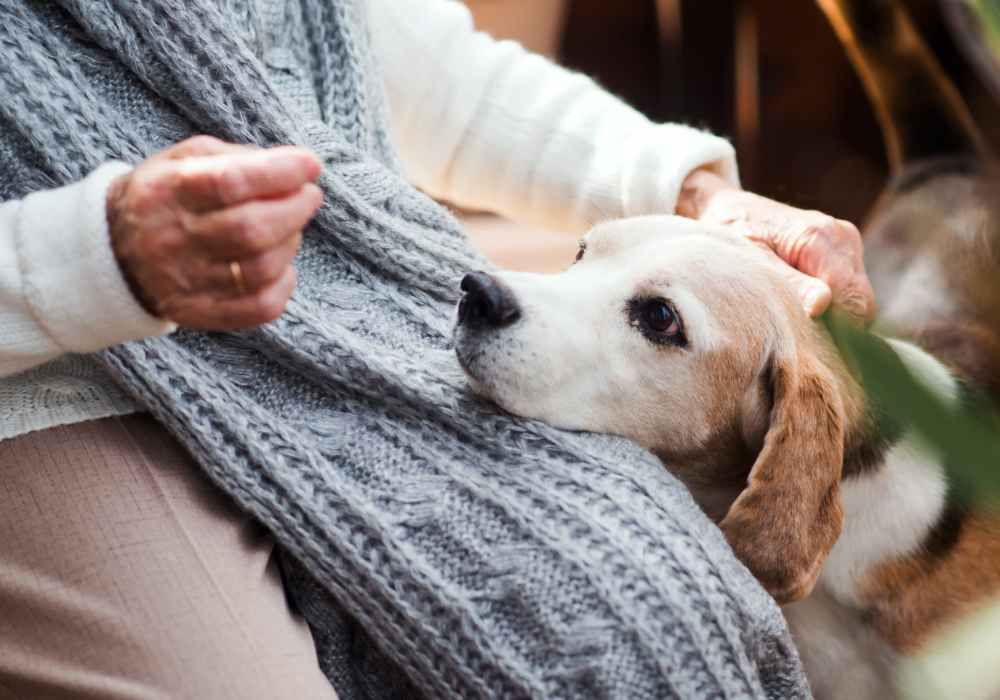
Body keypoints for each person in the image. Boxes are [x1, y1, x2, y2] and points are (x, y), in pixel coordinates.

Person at [0, 0, 873, 697]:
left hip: (352, 320)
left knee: (653, 611)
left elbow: (393, 55)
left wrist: (690, 190)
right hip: (55, 382)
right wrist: (86, 258)